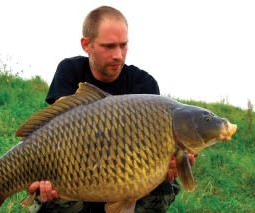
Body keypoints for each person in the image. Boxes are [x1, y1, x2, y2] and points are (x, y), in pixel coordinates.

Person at [27, 5, 196, 213]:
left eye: (123, 45)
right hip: (79, 170)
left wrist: (171, 165)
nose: (118, 55)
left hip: (128, 175)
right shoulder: (69, 70)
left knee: (164, 183)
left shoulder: (145, 86)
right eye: (108, 46)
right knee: (48, 186)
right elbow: (62, 129)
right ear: (86, 44)